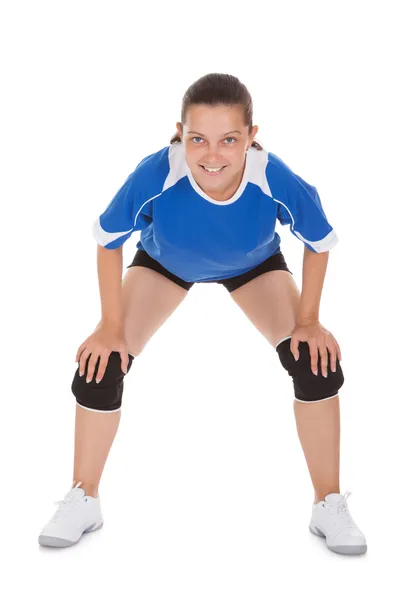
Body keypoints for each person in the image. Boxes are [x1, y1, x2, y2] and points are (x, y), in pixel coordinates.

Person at [38, 73, 367, 555]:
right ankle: (83, 496)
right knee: (100, 365)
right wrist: (109, 328)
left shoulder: (273, 176)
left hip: (254, 264)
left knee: (314, 362)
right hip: (165, 263)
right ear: (180, 134)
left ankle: (328, 503)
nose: (212, 155)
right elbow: (108, 242)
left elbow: (318, 244)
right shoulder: (156, 173)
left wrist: (309, 321)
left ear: (252, 137)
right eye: (198, 139)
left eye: (229, 139)